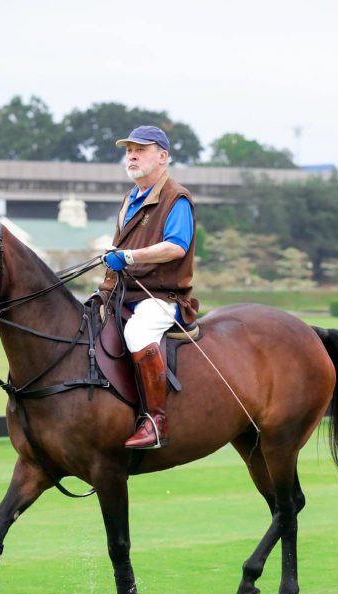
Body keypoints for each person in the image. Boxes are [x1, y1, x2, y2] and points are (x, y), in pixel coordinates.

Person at [99, 125, 197, 450]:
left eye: (140, 150)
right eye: (129, 151)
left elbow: (177, 246)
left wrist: (129, 256)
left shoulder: (176, 198)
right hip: (123, 293)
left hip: (161, 296)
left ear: (163, 157)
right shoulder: (130, 198)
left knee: (138, 333)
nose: (131, 156)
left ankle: (156, 421)